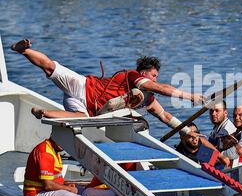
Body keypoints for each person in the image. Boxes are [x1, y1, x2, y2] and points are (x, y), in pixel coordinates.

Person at [10, 39, 204, 137]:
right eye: (153, 75)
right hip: (84, 86)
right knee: (51, 66)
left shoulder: (149, 100)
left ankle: (44, 112)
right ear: (144, 73)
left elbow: (166, 117)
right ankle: (23, 49)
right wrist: (189, 96)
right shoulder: (133, 76)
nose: (155, 79)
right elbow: (162, 88)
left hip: (89, 109)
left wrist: (187, 132)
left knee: (83, 119)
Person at [23, 137, 87, 196]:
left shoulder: (54, 149)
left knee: (84, 192)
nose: (64, 144)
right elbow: (48, 185)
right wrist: (69, 189)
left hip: (47, 190)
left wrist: (66, 186)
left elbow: (55, 178)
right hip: (36, 193)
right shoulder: (45, 152)